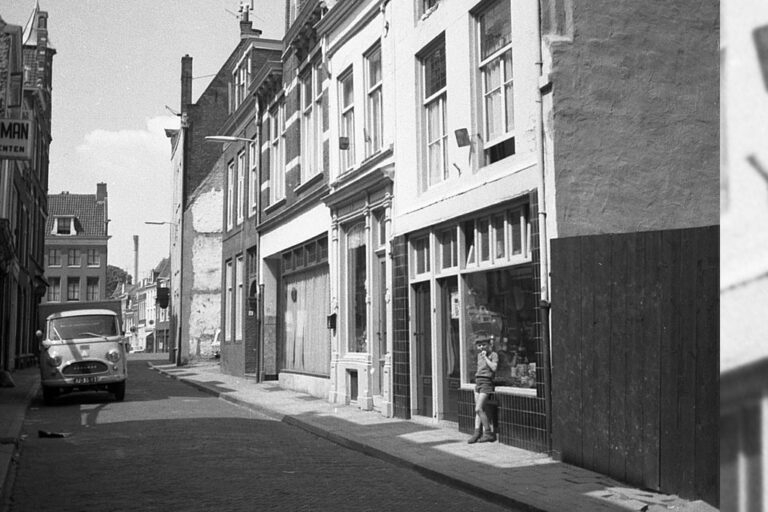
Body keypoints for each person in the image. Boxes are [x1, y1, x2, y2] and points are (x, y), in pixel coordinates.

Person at [468, 337, 498, 444]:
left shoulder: (493, 355)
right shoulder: (478, 356)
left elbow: (494, 368)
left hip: (486, 382)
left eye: (484, 345)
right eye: (479, 345)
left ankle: (488, 433)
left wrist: (486, 358)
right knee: (479, 410)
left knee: (478, 408)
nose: (481, 347)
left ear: (489, 345)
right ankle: (477, 433)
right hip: (478, 381)